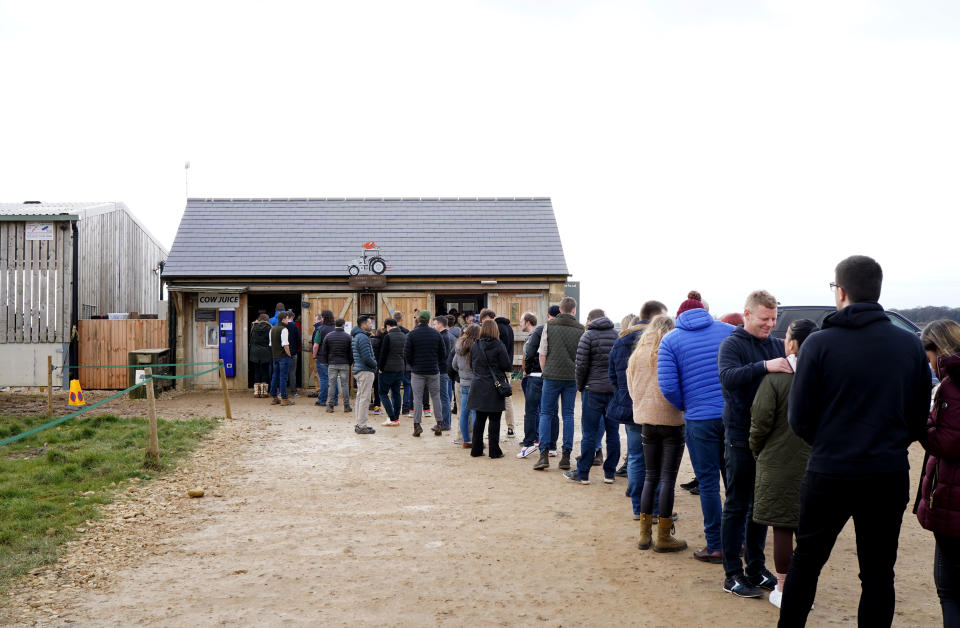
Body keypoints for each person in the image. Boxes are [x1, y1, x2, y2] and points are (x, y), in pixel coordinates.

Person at [780, 255, 931, 627]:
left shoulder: (817, 344)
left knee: (808, 561)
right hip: (886, 471)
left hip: (829, 469)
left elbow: (799, 419)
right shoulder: (909, 345)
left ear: (841, 292)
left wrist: (831, 442)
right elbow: (918, 417)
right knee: (879, 572)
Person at [717, 290, 787, 598]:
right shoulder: (732, 344)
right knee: (737, 504)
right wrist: (765, 367)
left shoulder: (776, 343)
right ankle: (732, 573)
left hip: (769, 438)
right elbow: (728, 377)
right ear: (747, 314)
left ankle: (756, 569)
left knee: (761, 507)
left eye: (773, 319)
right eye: (764, 319)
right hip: (739, 435)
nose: (770, 324)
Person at [658, 290, 734, 564]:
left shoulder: (671, 340)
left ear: (679, 316)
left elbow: (667, 386)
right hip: (731, 415)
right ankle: (742, 541)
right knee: (736, 481)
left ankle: (715, 545)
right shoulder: (728, 331)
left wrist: (687, 405)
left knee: (709, 484)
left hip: (699, 419)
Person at [749, 318, 817, 608]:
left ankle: (785, 588)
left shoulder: (776, 377)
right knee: (810, 530)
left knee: (782, 527)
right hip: (817, 462)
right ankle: (805, 589)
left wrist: (756, 449)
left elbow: (760, 421)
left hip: (777, 460)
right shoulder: (826, 376)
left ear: (792, 343)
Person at [628, 315, 687, 552]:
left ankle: (644, 535)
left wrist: (643, 406)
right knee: (667, 479)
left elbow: (631, 387)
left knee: (650, 477)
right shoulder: (673, 351)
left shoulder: (637, 355)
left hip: (646, 420)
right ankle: (663, 536)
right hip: (671, 419)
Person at [916, 319, 960, 626]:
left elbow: (948, 442)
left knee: (949, 589)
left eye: (928, 356)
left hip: (952, 496)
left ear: (938, 349)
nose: (928, 364)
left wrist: (919, 422)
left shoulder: (951, 384)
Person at [609, 300, 667, 515]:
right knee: (657, 459)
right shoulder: (660, 339)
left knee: (635, 457)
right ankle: (655, 507)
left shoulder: (622, 339)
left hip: (630, 405)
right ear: (655, 317)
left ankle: (637, 507)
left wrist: (625, 394)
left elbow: (613, 375)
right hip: (654, 406)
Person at [566, 308, 618, 484]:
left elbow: (580, 366)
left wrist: (580, 386)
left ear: (590, 319)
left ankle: (583, 474)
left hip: (592, 389)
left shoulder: (587, 336)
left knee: (589, 433)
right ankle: (609, 473)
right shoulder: (616, 336)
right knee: (613, 433)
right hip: (612, 391)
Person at [533, 297, 584, 471]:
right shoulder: (581, 329)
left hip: (551, 376)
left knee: (546, 414)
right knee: (568, 415)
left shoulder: (549, 326)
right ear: (574, 310)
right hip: (571, 377)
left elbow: (542, 353)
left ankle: (544, 454)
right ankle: (566, 456)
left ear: (560, 309)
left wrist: (546, 371)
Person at [467, 319, 512, 458]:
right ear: (495, 330)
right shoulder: (499, 345)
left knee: (479, 420)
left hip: (478, 384)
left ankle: (476, 449)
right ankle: (494, 450)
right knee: (494, 420)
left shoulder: (475, 345)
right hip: (494, 386)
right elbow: (507, 365)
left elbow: (471, 364)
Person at [404, 310, 446, 437]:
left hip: (417, 371)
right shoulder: (436, 334)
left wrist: (413, 365)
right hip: (433, 370)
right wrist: (435, 362)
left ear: (419, 320)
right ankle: (439, 423)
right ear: (428, 320)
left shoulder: (412, 334)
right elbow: (443, 354)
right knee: (436, 397)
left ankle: (417, 425)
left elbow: (407, 354)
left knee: (417, 398)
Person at [480, 309, 516, 437]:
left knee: (493, 398)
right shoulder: (509, 328)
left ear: (489, 317)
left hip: (497, 370)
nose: (483, 325)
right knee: (507, 397)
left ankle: (493, 430)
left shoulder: (497, 330)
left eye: (484, 321)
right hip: (507, 368)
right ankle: (510, 427)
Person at [518, 312, 547, 459]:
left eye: (522, 320)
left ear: (528, 322)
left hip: (533, 376)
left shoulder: (533, 336)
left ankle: (532, 440)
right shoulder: (540, 334)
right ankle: (539, 439)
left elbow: (529, 356)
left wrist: (528, 372)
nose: (520, 323)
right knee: (541, 410)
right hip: (542, 376)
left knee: (532, 410)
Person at [451, 323, 481, 448]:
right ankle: (475, 439)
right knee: (475, 412)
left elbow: (454, 365)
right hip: (475, 382)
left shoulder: (459, 346)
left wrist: (462, 373)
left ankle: (466, 440)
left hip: (463, 382)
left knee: (464, 412)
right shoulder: (478, 347)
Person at [350, 315, 377, 434]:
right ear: (364, 324)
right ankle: (362, 425)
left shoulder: (358, 336)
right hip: (365, 370)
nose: (371, 325)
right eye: (369, 323)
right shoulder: (363, 337)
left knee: (361, 398)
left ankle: (359, 423)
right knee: (364, 399)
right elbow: (366, 357)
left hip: (360, 369)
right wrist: (375, 364)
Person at [377, 318, 405, 427]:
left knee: (382, 393)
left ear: (388, 326)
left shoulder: (388, 337)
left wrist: (380, 368)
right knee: (396, 392)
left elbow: (383, 354)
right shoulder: (404, 335)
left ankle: (392, 417)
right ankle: (396, 418)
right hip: (400, 368)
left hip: (387, 369)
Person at [321, 318, 353, 413]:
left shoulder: (328, 336)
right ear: (343, 325)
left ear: (335, 325)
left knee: (331, 385)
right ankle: (346, 406)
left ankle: (330, 406)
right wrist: (349, 362)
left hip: (332, 363)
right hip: (344, 363)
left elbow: (324, 351)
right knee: (344, 385)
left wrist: (328, 361)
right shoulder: (348, 337)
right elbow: (351, 352)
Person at [432, 316, 456, 431]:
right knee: (444, 397)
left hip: (442, 371)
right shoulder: (446, 336)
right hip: (445, 370)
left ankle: (445, 423)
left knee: (444, 398)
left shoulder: (444, 337)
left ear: (440, 324)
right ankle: (444, 422)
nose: (433, 326)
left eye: (435, 324)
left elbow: (443, 356)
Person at [312, 309, 338, 407]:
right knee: (334, 379)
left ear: (323, 318)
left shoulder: (320, 330)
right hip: (334, 358)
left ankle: (322, 400)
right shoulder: (336, 328)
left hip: (322, 358)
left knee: (323, 379)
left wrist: (314, 355)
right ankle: (334, 400)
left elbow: (316, 345)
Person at [268, 311, 295, 406]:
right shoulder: (284, 329)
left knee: (275, 376)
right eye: (287, 318)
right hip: (283, 357)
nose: (288, 320)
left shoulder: (272, 329)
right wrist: (289, 355)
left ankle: (274, 397)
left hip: (275, 356)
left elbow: (271, 344)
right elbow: (285, 345)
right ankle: (284, 398)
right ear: (283, 319)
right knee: (283, 378)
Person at [249, 313, 272, 398]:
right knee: (265, 371)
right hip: (265, 352)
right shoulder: (269, 327)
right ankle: (264, 392)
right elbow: (270, 341)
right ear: (266, 319)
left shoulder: (253, 327)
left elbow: (251, 340)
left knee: (257, 371)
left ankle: (256, 392)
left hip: (254, 352)